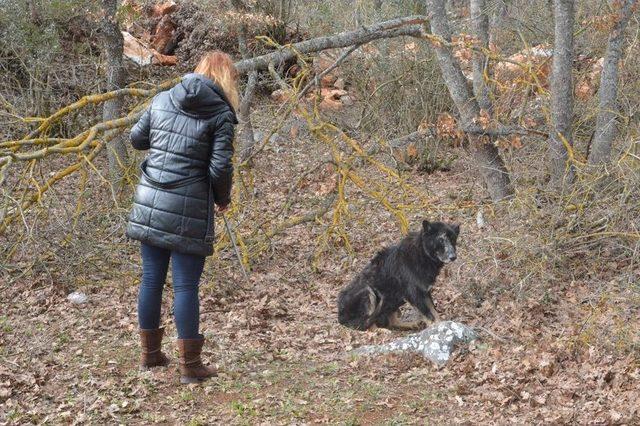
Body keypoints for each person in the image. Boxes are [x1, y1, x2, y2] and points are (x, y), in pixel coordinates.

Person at [126, 51, 239, 384]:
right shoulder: (221, 114)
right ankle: (190, 366)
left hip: (151, 201)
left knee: (151, 279)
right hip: (188, 208)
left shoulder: (163, 99)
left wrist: (162, 141)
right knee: (186, 286)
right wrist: (223, 199)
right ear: (227, 80)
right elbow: (220, 167)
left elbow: (136, 138)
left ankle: (150, 356)